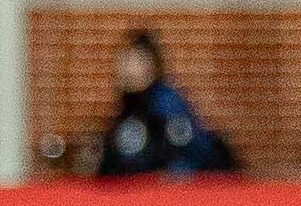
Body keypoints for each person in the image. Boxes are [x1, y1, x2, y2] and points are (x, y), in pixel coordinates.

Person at [96, 30, 237, 178]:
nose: (125, 69)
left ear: (150, 65)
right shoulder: (130, 106)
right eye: (123, 61)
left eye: (132, 61)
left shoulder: (166, 104)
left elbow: (195, 153)